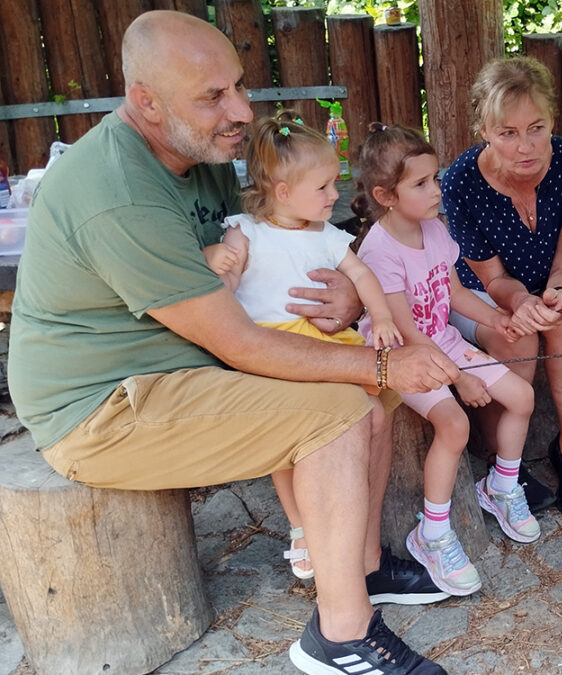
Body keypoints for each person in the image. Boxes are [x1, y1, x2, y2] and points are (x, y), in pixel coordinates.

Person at [8, 11, 455, 675]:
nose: (242, 110)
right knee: (340, 414)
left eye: (238, 86)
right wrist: (387, 357)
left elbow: (269, 263)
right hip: (103, 406)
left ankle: (359, 566)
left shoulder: (198, 155)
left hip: (182, 368)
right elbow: (241, 341)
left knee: (371, 397)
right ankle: (339, 635)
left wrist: (349, 295)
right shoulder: (118, 190)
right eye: (213, 96)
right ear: (146, 102)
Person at [202, 111, 405, 581]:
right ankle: (300, 526)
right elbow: (223, 281)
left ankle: (351, 528)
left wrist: (383, 315)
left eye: (335, 183)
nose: (335, 195)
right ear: (283, 192)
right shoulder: (245, 231)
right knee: (291, 439)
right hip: (273, 348)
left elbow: (362, 275)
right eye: (324, 188)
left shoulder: (327, 235)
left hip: (322, 341)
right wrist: (213, 261)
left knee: (375, 415)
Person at [353, 123, 541, 596]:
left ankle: (501, 487)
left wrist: (500, 320)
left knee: (521, 396)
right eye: (420, 184)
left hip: (440, 341)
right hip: (403, 356)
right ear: (386, 195)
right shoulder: (380, 250)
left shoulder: (434, 229)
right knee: (455, 425)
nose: (436, 190)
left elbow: (454, 294)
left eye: (435, 178)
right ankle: (433, 534)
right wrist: (460, 380)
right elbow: (408, 333)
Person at [440, 56, 562, 515]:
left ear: (552, 120)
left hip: (560, 275)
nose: (526, 146)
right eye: (508, 133)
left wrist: (560, 296)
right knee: (515, 334)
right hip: (484, 291)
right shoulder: (462, 180)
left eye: (536, 127)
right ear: (484, 130)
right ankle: (500, 459)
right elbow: (491, 277)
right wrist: (522, 304)